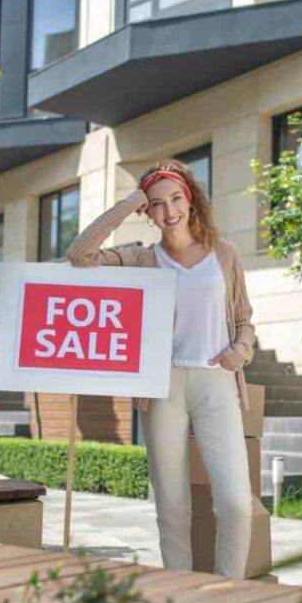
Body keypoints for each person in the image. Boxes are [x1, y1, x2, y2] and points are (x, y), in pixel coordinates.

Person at [68, 159, 255, 579]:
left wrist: (239, 351)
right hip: (161, 386)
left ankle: (231, 590)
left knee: (236, 503)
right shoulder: (141, 258)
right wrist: (130, 200)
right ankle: (181, 595)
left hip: (216, 382)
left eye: (175, 199)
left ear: (190, 200)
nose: (169, 211)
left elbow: (244, 318)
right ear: (147, 214)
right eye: (156, 204)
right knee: (171, 506)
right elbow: (80, 256)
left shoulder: (224, 255)